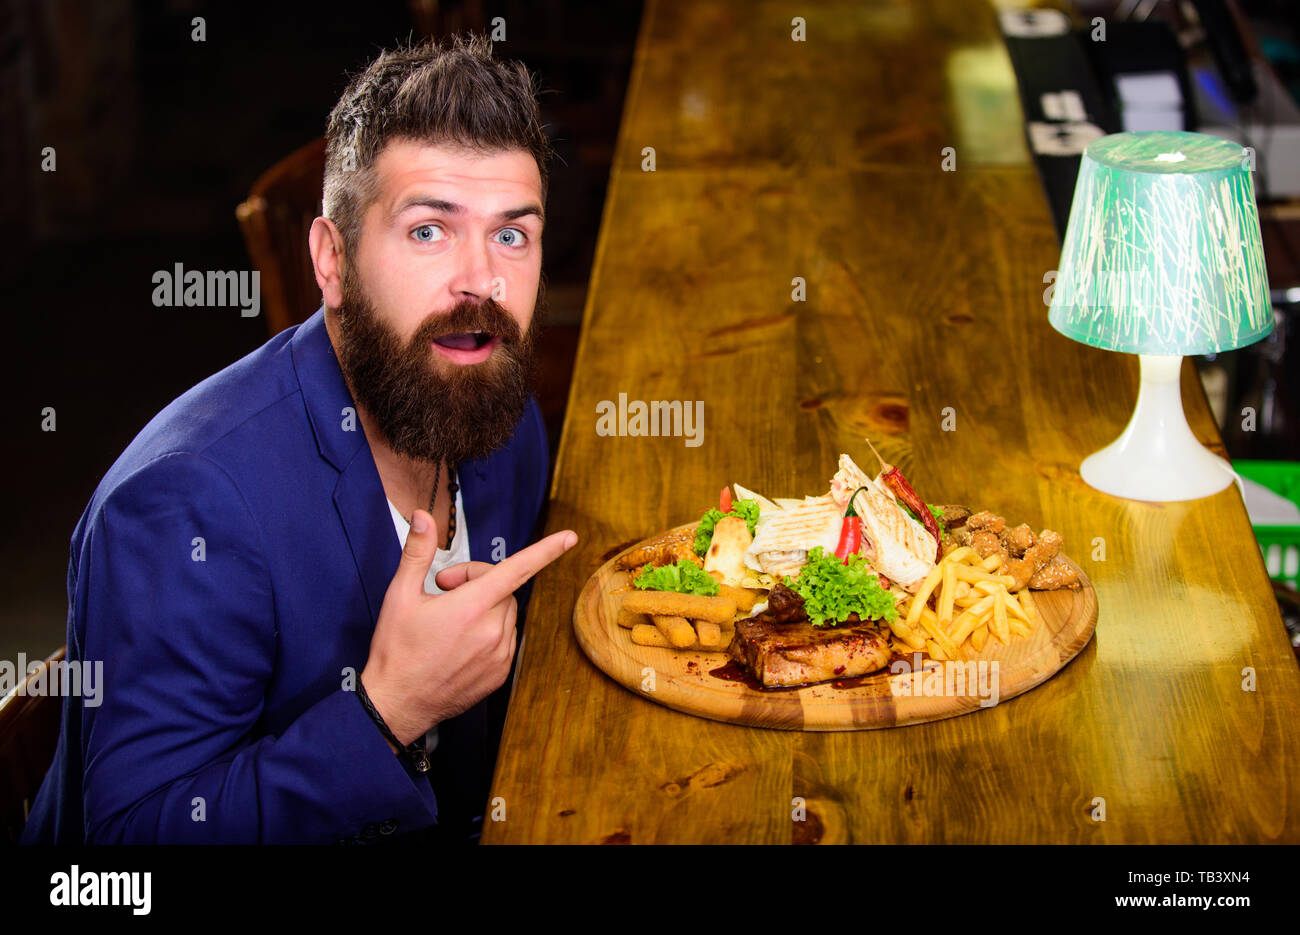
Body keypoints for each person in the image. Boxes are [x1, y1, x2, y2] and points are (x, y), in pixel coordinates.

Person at [22, 34, 577, 845]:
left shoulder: (493, 399)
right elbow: (125, 857)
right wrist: (387, 712)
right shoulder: (187, 503)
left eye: (511, 234)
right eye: (429, 230)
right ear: (332, 258)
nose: (480, 280)